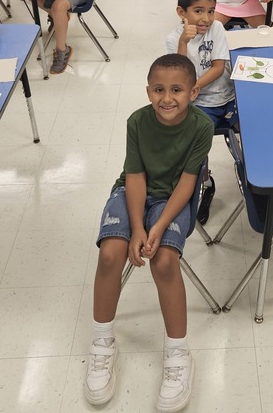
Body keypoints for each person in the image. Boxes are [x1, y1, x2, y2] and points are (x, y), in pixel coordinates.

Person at [85, 54, 212, 411]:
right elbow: (134, 177)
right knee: (110, 253)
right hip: (133, 192)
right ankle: (102, 344)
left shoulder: (202, 127)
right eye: (158, 90)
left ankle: (178, 354)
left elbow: (188, 186)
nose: (166, 98)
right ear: (148, 91)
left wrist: (156, 229)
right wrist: (138, 226)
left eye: (176, 90)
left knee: (165, 261)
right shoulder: (137, 122)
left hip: (174, 199)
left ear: (193, 92)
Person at [166, 0, 235, 224]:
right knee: (194, 145)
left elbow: (218, 68)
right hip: (200, 105)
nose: (206, 18)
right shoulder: (174, 39)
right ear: (181, 13)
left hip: (228, 98)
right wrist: (184, 43)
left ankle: (254, 176)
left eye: (211, 10)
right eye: (198, 11)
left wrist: (196, 85)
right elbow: (178, 76)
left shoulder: (216, 28)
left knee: (257, 130)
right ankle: (206, 183)